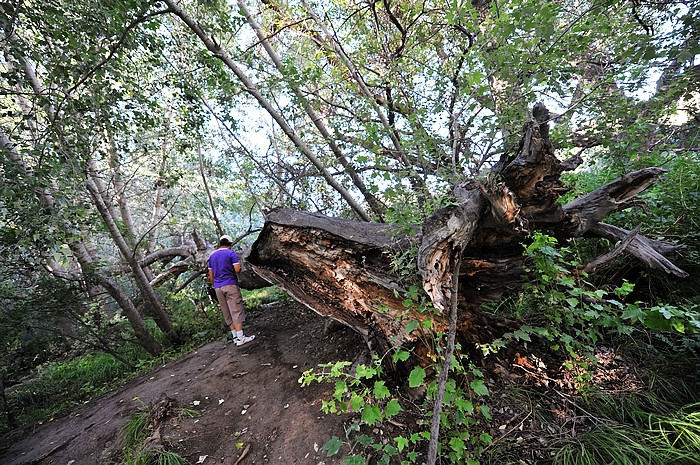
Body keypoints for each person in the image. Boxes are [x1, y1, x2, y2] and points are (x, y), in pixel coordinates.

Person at [208, 234, 256, 346]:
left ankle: (235, 336)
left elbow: (211, 274)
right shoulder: (231, 253)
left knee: (226, 311)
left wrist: (215, 285)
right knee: (236, 309)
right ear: (230, 244)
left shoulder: (212, 256)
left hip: (218, 287)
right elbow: (237, 269)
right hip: (230, 284)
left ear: (220, 243)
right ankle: (241, 338)